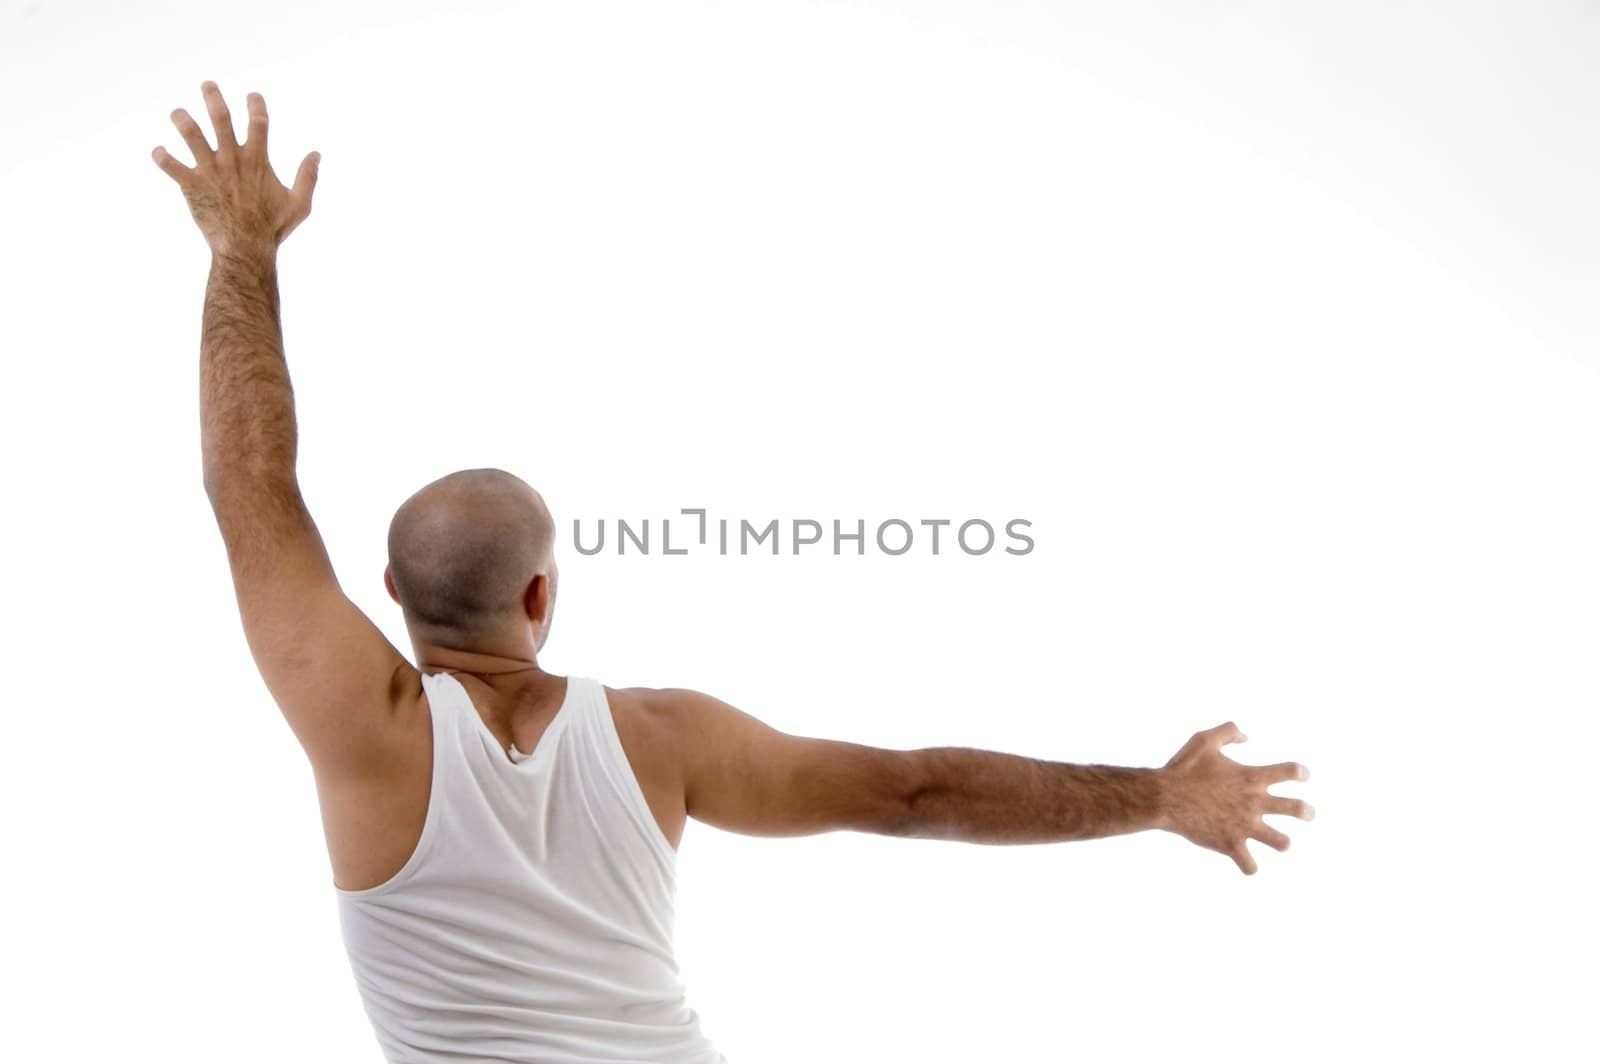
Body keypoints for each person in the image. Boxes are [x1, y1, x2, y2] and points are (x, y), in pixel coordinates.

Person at [155, 82, 1313, 1064]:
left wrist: (241, 251)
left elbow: (249, 483)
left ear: (394, 593)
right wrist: (1159, 795)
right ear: (543, 596)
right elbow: (917, 791)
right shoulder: (665, 738)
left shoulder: (368, 722)